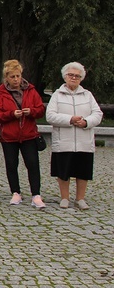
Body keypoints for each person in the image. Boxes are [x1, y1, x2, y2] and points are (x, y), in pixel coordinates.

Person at [46, 62, 103, 210]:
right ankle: (65, 198)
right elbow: (50, 116)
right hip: (64, 139)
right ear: (65, 76)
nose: (74, 78)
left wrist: (86, 122)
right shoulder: (57, 95)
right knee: (63, 170)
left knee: (82, 170)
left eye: (77, 76)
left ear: (81, 78)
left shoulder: (87, 95)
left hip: (84, 140)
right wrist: (70, 120)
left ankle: (80, 198)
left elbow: (98, 114)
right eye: (71, 75)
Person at [0, 59, 47, 208]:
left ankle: (36, 194)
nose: (16, 80)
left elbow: (41, 109)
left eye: (18, 76)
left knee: (33, 164)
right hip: (9, 136)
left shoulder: (31, 90)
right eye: (12, 77)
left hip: (29, 134)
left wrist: (32, 112)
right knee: (11, 164)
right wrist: (10, 114)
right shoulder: (1, 93)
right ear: (6, 78)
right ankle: (15, 193)